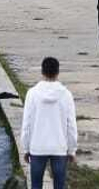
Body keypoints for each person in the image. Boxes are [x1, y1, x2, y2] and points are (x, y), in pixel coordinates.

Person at [21, 56, 78, 189]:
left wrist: (26, 148)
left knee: (36, 185)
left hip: (37, 146)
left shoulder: (32, 93)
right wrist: (72, 149)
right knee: (59, 185)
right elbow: (71, 125)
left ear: (42, 72)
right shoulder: (66, 94)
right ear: (58, 72)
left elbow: (27, 123)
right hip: (59, 147)